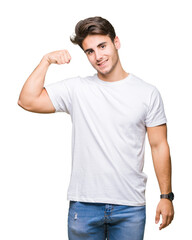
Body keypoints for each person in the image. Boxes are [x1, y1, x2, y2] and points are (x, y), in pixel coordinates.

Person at [18, 16, 174, 240]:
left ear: (116, 42)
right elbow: (27, 100)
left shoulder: (147, 93)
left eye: (102, 46)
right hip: (84, 206)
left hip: (130, 207)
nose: (98, 56)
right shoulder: (77, 89)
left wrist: (166, 196)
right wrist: (46, 61)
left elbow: (159, 146)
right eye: (90, 51)